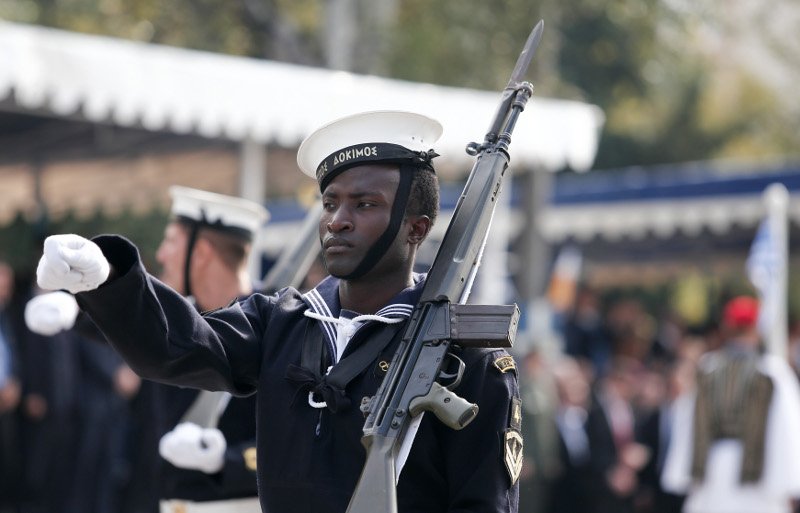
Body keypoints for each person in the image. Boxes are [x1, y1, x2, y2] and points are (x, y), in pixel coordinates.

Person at [34, 110, 522, 513]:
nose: (338, 221)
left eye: (364, 204)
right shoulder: (281, 321)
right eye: (330, 203)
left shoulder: (466, 360)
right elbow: (180, 344)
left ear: (416, 228)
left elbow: (485, 502)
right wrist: (111, 277)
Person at [26, 186, 269, 513]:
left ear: (201, 253)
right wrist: (79, 308)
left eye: (171, 241)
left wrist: (226, 460)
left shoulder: (273, 327)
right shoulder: (174, 323)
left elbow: (297, 444)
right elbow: (148, 331)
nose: (162, 254)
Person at [661, 295, 800, 513]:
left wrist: (687, 474)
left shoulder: (707, 369)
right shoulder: (772, 371)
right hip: (761, 472)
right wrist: (787, 481)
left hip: (714, 470)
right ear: (756, 329)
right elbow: (787, 430)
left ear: (726, 328)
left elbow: (688, 424)